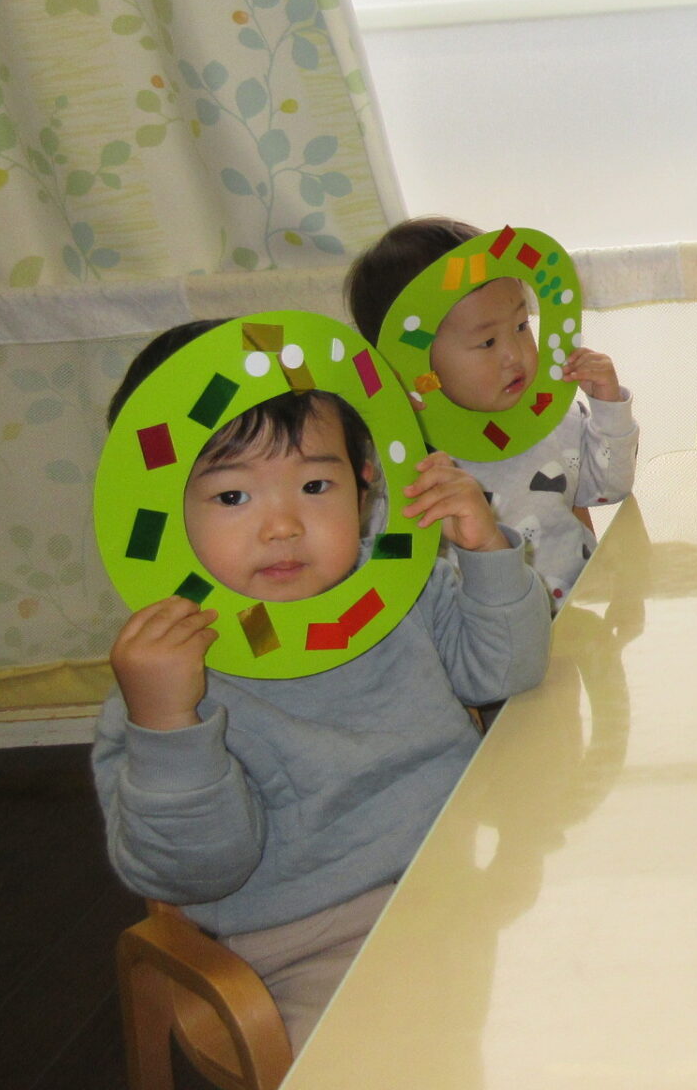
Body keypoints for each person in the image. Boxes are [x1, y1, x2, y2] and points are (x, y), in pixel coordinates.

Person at [91, 320, 551, 1053]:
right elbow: (197, 873)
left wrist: (486, 552)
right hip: (311, 948)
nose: (282, 525)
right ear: (162, 510)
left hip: (477, 873)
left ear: (365, 484)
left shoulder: (392, 588)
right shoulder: (169, 677)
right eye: (232, 496)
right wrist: (168, 725)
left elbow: (509, 670)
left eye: (314, 485)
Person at [347, 217, 638, 605]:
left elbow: (609, 489)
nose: (515, 355)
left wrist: (608, 405)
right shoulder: (409, 469)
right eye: (486, 342)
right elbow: (383, 571)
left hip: (585, 614)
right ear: (412, 365)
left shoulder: (551, 418)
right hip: (497, 636)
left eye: (521, 326)